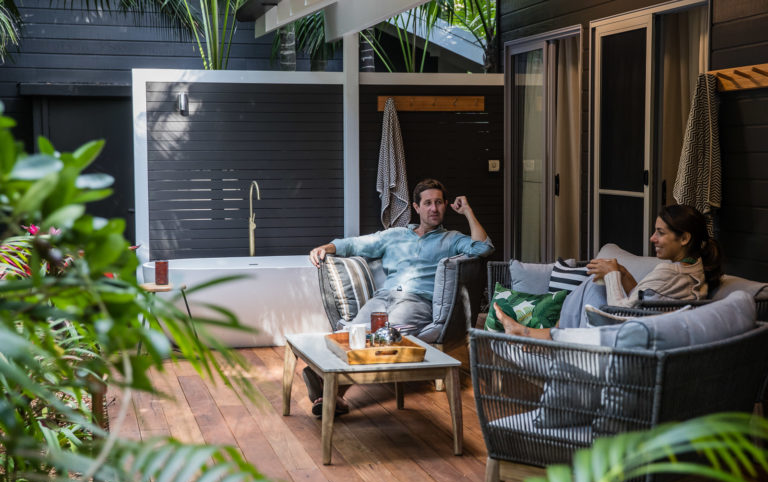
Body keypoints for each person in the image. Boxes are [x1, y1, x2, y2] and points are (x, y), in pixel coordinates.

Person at [305, 178, 495, 415]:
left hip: (417, 301)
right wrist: (326, 248)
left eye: (438, 203)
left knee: (383, 335)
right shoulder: (394, 235)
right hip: (383, 298)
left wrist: (467, 211)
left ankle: (330, 395)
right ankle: (331, 393)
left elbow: (483, 247)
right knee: (351, 334)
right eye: (427, 203)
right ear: (416, 207)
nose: (433, 209)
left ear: (446, 205)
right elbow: (357, 244)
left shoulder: (451, 239)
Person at [494, 204, 722, 340]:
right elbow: (645, 302)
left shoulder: (670, 272)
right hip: (644, 326)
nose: (653, 238)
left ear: (684, 238)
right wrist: (623, 273)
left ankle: (535, 335)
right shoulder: (693, 269)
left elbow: (622, 314)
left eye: (660, 233)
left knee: (594, 283)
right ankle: (535, 334)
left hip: (624, 332)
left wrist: (612, 274)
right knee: (596, 280)